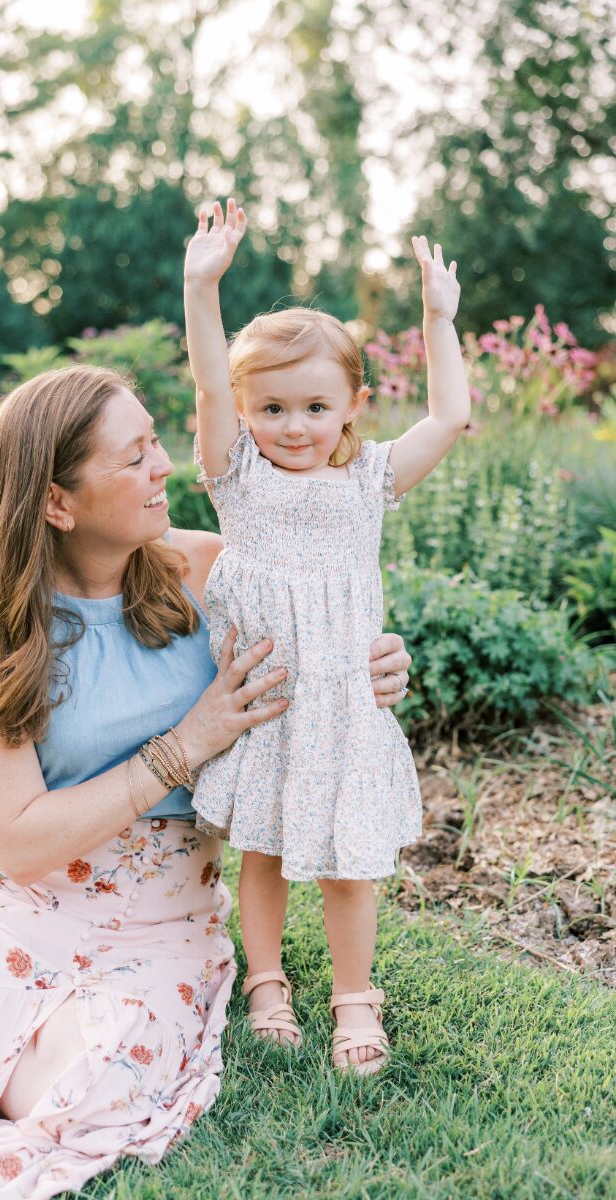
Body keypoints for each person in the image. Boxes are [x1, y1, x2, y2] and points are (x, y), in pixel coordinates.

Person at [0, 363, 414, 1198]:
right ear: (57, 502)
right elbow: (17, 842)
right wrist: (183, 744)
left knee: (87, 1089)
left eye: (156, 442)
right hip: (21, 905)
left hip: (158, 925)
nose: (165, 466)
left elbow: (332, 622)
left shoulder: (211, 574)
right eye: (133, 457)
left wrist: (379, 663)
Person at [183, 200, 469, 1074]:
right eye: (271, 406)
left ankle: (354, 993)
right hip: (265, 704)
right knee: (263, 852)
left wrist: (437, 321)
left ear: (353, 406)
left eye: (315, 405)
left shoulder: (370, 480)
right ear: (244, 408)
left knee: (350, 865)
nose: (294, 425)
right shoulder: (234, 475)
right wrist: (202, 288)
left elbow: (451, 419)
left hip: (344, 709)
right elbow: (204, 381)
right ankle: (266, 979)